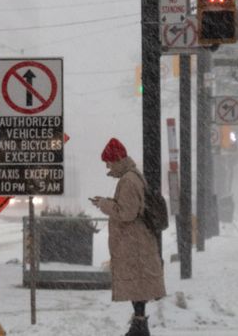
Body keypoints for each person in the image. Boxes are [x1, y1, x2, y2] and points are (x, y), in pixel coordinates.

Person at [91, 137, 165, 336]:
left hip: (134, 241)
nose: (107, 166)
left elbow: (127, 213)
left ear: (116, 159)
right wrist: (106, 201)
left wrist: (103, 204)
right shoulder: (133, 177)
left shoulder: (129, 180)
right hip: (136, 240)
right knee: (137, 284)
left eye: (108, 162)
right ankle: (139, 324)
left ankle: (140, 326)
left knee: (137, 284)